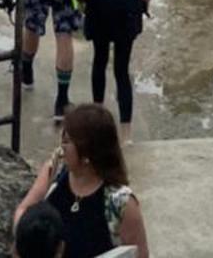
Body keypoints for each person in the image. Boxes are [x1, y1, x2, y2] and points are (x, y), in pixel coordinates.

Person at [14, 103, 148, 258]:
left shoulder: (121, 203)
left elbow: (140, 255)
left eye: (67, 142)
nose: (61, 148)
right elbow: (23, 211)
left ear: (87, 155)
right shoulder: (54, 172)